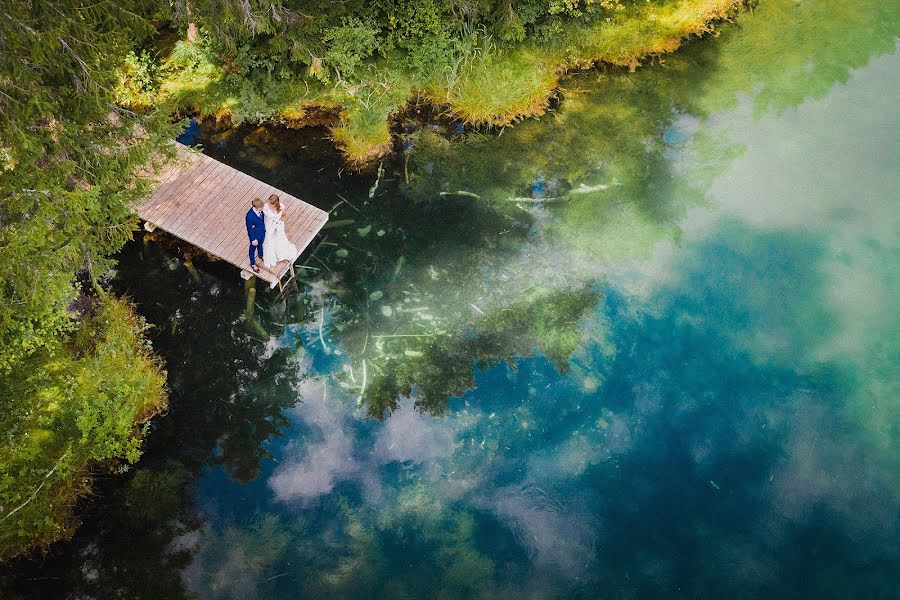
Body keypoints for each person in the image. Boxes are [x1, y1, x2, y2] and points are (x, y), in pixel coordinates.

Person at [262, 193, 298, 268]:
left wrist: (280, 221)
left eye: (271, 204)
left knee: (280, 239)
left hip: (278, 225)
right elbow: (264, 215)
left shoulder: (281, 207)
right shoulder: (266, 207)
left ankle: (280, 253)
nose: (270, 205)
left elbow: (284, 216)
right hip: (269, 225)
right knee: (269, 240)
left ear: (276, 203)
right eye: (269, 203)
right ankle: (270, 257)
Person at [245, 197, 266, 273]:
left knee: (260, 245)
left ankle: (261, 255)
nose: (262, 209)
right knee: (252, 250)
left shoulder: (261, 211)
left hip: (262, 232)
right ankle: (253, 263)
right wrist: (253, 239)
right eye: (260, 208)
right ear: (255, 207)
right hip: (255, 236)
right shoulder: (249, 216)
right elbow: (249, 228)